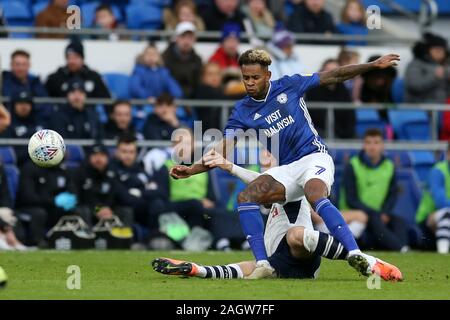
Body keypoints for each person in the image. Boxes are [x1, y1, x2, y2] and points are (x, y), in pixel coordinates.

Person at [169, 48, 402, 280]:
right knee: (245, 197)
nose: (249, 83)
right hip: (287, 169)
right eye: (245, 78)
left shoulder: (289, 85)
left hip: (314, 156)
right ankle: (263, 263)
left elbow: (335, 75)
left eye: (255, 77)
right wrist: (191, 170)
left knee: (314, 193)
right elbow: (222, 150)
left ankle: (355, 253)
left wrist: (371, 66)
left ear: (268, 75)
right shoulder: (242, 110)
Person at [153, 148, 402, 281]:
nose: (264, 157)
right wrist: (229, 166)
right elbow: (258, 184)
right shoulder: (269, 186)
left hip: (302, 252)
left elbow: (265, 185)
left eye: (269, 154)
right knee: (250, 268)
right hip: (280, 260)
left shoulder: (291, 182)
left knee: (295, 234)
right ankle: (198, 270)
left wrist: (230, 167)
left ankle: (366, 260)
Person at [340, 129, 409, 251]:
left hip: (380, 213)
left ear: (382, 145)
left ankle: (404, 249)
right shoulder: (352, 165)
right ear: (364, 145)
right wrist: (375, 213)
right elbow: (351, 199)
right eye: (368, 142)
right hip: (357, 214)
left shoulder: (389, 166)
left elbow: (392, 195)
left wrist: (385, 212)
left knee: (399, 222)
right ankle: (401, 248)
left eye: (376, 142)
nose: (372, 147)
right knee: (375, 221)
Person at [15, 160, 77, 246]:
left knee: (79, 210)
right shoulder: (30, 168)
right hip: (31, 207)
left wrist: (72, 198)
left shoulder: (63, 170)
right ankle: (37, 242)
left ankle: (81, 239)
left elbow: (73, 190)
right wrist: (54, 200)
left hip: (54, 207)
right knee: (40, 213)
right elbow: (27, 197)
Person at [72, 144, 134, 227]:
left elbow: (118, 197)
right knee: (83, 211)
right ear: (89, 157)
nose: (99, 159)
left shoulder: (112, 175)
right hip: (89, 209)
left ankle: (123, 238)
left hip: (108, 209)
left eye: (102, 155)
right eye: (95, 155)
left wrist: (107, 209)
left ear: (107, 158)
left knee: (126, 211)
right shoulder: (80, 173)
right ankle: (88, 237)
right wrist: (98, 209)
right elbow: (81, 199)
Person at [306, 58, 355, 139]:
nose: (332, 74)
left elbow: (350, 115)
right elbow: (314, 116)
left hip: (342, 131)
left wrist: (345, 132)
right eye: (328, 70)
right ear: (322, 71)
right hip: (319, 131)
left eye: (335, 70)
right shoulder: (313, 90)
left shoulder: (343, 89)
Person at [416, 142, 450, 254]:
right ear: (448, 154)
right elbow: (441, 202)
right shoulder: (438, 171)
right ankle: (443, 253)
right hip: (428, 221)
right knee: (447, 213)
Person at [45, 40, 111, 98]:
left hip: (89, 112)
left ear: (82, 58)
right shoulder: (55, 78)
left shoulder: (94, 77)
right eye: (69, 57)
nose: (72, 61)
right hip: (62, 112)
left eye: (75, 57)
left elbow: (106, 99)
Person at [1, 50, 49, 121]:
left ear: (29, 65)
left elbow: (46, 105)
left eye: (24, 64)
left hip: (33, 123)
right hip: (9, 122)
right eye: (17, 64)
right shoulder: (3, 81)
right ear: (11, 65)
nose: (21, 68)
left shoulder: (35, 82)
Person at [0, 91, 44, 167]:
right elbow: (9, 153)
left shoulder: (39, 122)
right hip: (18, 164)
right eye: (20, 103)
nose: (24, 106)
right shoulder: (7, 124)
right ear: (13, 105)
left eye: (27, 103)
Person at [405, 32, 450, 104]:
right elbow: (414, 86)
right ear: (428, 50)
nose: (440, 53)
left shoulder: (445, 65)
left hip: (442, 109)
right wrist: (435, 77)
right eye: (436, 50)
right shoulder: (416, 64)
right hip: (421, 109)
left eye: (442, 50)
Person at [162, 22, 203, 98]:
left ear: (194, 40)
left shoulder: (197, 60)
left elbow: (197, 85)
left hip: (190, 101)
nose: (186, 41)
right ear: (176, 38)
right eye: (183, 36)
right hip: (168, 101)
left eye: (190, 37)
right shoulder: (164, 58)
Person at [194, 63, 228, 131]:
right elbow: (222, 98)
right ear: (203, 77)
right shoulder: (201, 91)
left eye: (217, 74)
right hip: (205, 135)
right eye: (210, 74)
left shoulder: (222, 91)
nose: (214, 77)